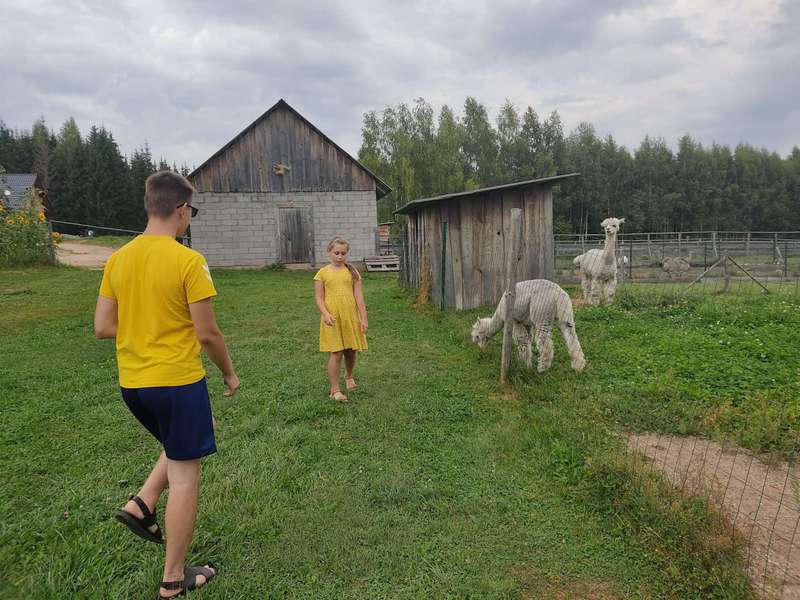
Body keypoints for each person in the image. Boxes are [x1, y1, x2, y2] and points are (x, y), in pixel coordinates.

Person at [94, 170, 239, 599]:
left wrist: (144, 326)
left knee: (188, 437)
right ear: (181, 210)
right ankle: (173, 579)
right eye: (191, 211)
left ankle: (142, 503)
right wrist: (229, 373)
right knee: (186, 476)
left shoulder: (118, 259)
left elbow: (103, 326)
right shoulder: (188, 261)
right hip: (176, 382)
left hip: (134, 386)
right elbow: (207, 333)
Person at [313, 237, 368, 401]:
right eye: (336, 253)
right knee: (336, 352)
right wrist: (325, 313)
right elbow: (319, 297)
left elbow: (358, 296)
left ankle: (349, 376)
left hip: (350, 317)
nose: (339, 256)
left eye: (343, 253)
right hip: (332, 318)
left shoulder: (353, 272)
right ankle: (335, 390)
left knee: (351, 351)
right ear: (329, 252)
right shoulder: (322, 273)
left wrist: (363, 318)